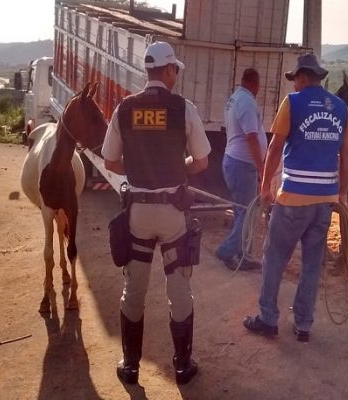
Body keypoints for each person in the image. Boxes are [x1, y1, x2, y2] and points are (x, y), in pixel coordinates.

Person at [102, 41, 210, 385]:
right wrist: (179, 168)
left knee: (134, 289)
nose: (176, 73)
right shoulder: (183, 109)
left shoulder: (125, 108)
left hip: (138, 213)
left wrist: (136, 169)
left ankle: (131, 365)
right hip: (172, 214)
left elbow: (110, 160)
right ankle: (182, 366)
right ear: (166, 70)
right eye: (175, 68)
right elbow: (203, 161)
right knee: (179, 289)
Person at [243, 53, 348, 343]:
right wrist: (340, 195)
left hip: (293, 200)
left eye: (295, 80)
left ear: (302, 77)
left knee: (274, 258)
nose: (293, 85)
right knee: (312, 264)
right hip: (324, 202)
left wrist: (265, 186)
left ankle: (268, 318)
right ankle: (303, 325)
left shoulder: (292, 103)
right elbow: (346, 157)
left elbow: (276, 147)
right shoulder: (341, 108)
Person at [215, 68, 267, 271]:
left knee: (242, 212)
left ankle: (243, 255)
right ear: (255, 83)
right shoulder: (246, 102)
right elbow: (252, 137)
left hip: (236, 162)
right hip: (242, 165)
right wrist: (262, 168)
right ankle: (227, 250)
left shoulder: (235, 99)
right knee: (247, 214)